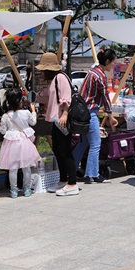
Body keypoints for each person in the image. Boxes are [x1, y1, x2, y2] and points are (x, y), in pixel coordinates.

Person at [71, 49, 119, 185]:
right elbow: (105, 96)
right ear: (107, 61)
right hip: (90, 113)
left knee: (84, 142)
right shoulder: (100, 75)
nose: (114, 64)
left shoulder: (92, 71)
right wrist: (110, 115)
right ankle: (93, 174)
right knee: (95, 144)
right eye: (113, 61)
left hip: (82, 112)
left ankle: (72, 168)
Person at [36, 52, 80, 197]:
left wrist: (65, 114)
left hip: (62, 120)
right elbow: (46, 96)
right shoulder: (55, 79)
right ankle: (63, 180)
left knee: (65, 151)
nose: (42, 72)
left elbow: (66, 98)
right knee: (58, 150)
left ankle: (72, 183)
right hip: (56, 121)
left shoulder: (60, 78)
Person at [0, 90, 40, 198]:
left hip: (11, 144)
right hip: (25, 142)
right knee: (26, 167)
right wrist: (33, 111)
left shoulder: (6, 116)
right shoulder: (26, 113)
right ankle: (26, 189)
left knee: (13, 168)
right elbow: (33, 122)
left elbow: (2, 131)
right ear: (20, 101)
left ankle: (14, 190)